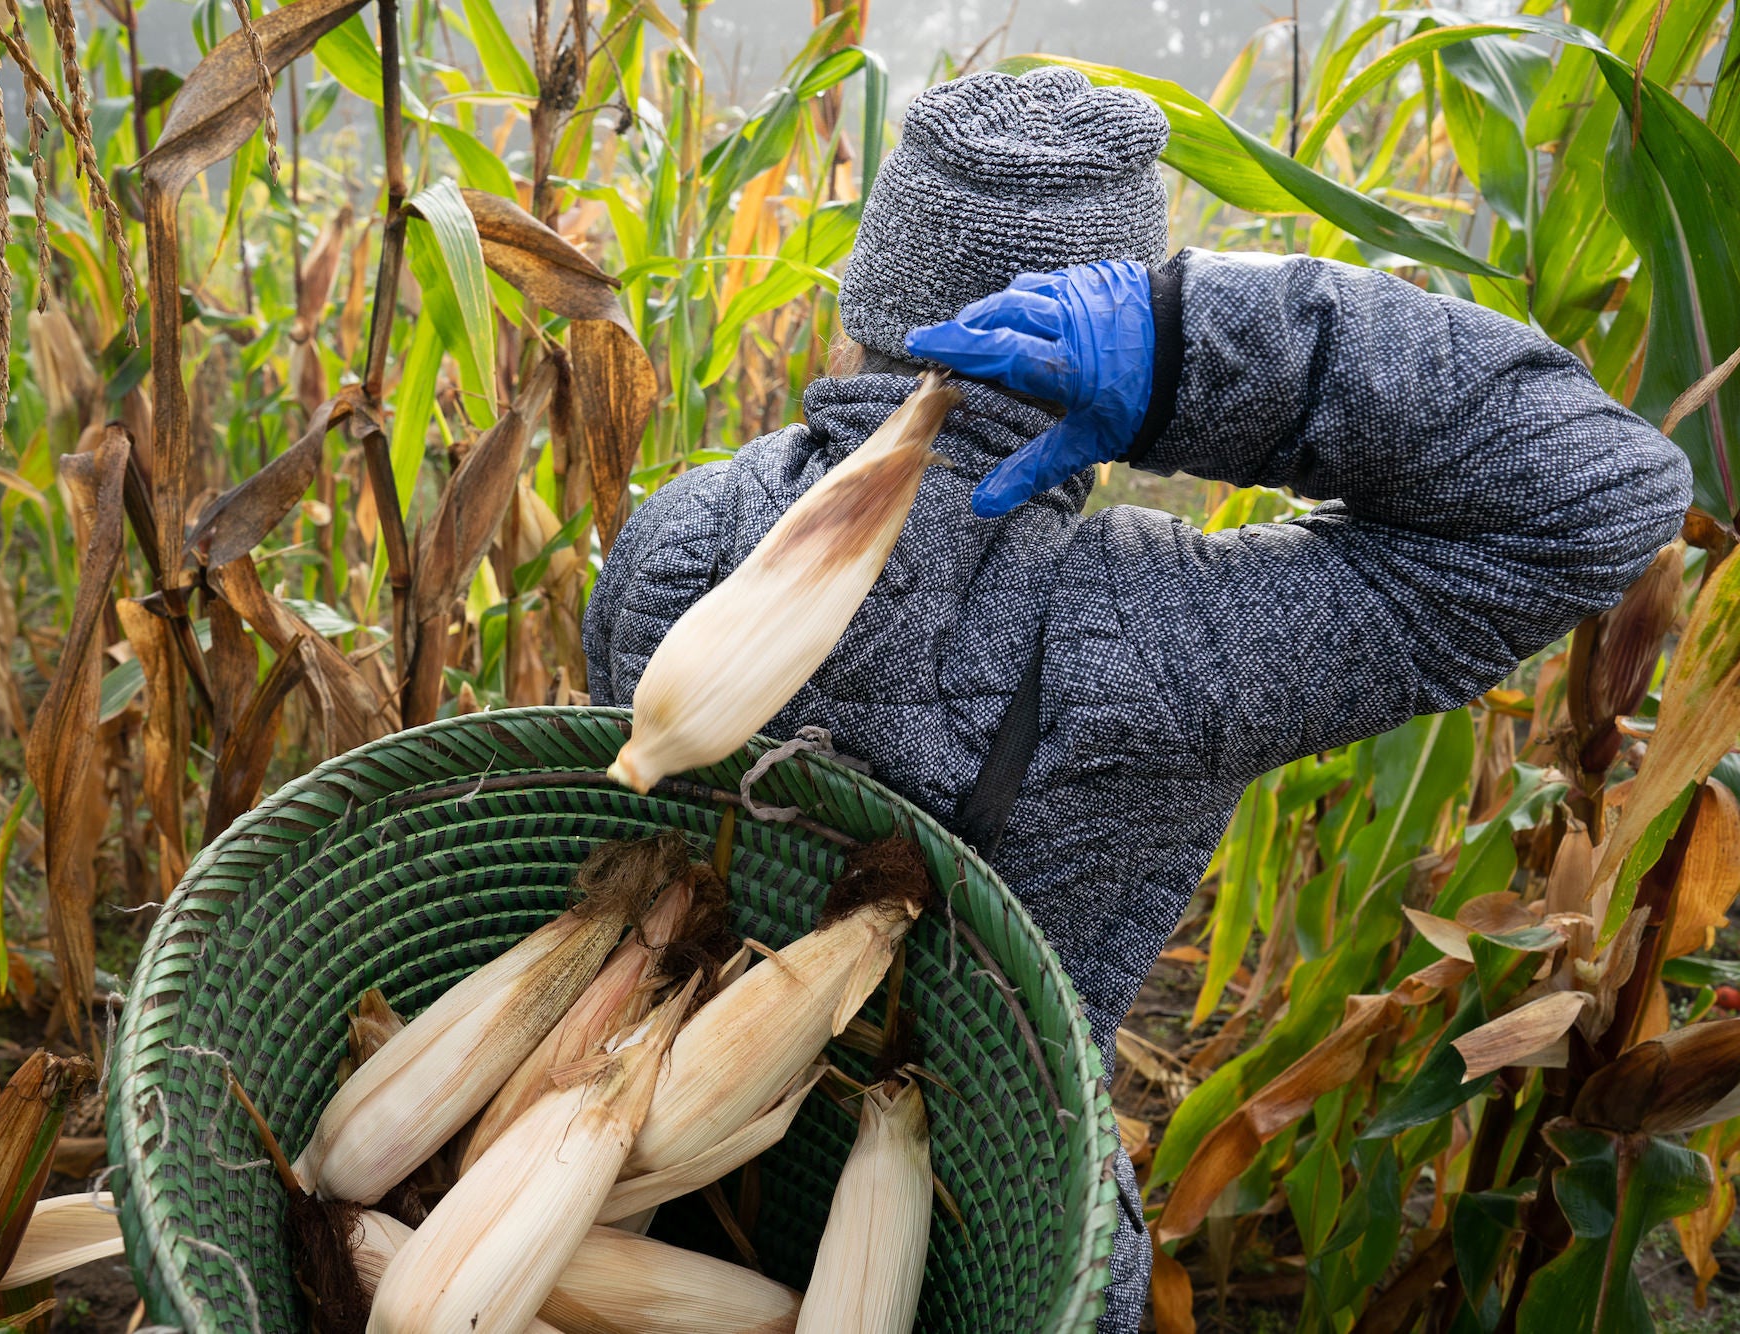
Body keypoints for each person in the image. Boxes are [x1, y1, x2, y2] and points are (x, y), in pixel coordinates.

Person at [582, 65, 1691, 1331]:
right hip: (1007, 1250)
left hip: (614, 1206)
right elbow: (1604, 491)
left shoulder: (684, 541)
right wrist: (1196, 354)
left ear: (867, 294)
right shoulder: (1167, 639)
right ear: (1102, 316)